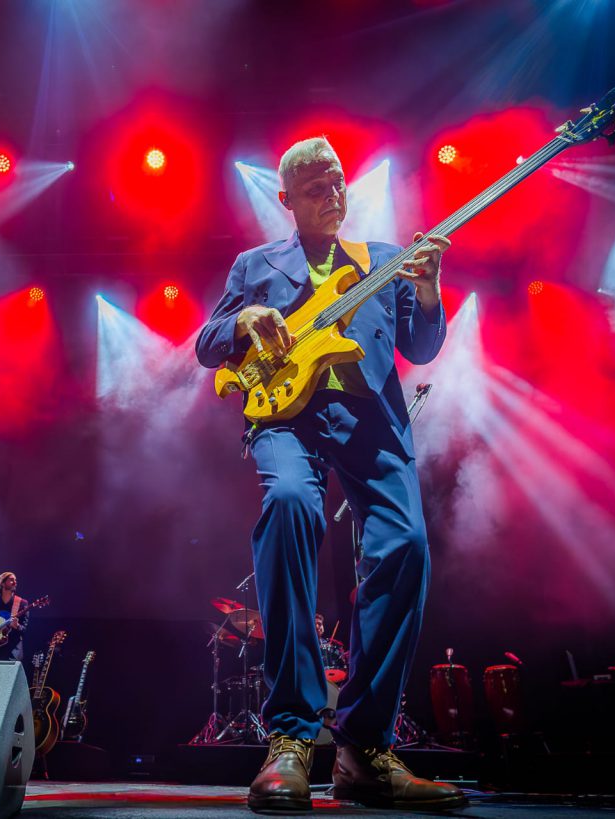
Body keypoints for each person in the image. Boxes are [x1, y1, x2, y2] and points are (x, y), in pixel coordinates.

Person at [196, 137, 464, 812]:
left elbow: (421, 346)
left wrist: (427, 287)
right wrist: (245, 319)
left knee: (406, 544)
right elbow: (206, 343)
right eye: (315, 187)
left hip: (370, 419)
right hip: (286, 419)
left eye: (338, 181)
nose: (332, 194)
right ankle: (290, 736)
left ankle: (363, 748)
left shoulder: (381, 260)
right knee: (290, 503)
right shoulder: (256, 264)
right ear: (285, 200)